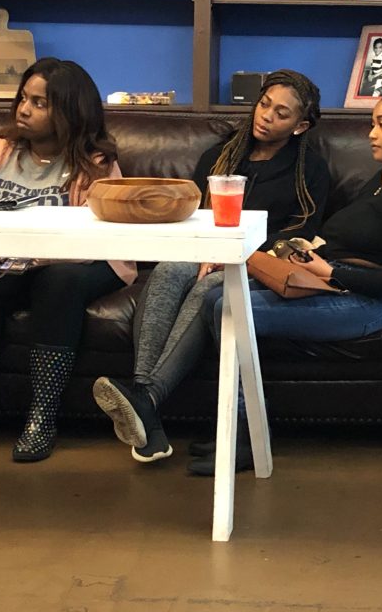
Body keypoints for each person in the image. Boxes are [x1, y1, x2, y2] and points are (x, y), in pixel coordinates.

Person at [184, 88, 382, 476]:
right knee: (215, 293)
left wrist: (332, 272)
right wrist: (310, 249)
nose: (371, 133)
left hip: (368, 302)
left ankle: (244, 438)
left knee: (228, 306)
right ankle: (242, 429)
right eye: (372, 123)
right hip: (328, 282)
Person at [92, 69, 331, 464]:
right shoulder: (219, 157)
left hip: (260, 263)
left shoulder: (310, 170)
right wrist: (207, 249)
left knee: (211, 289)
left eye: (281, 113)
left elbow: (303, 229)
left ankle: (146, 400)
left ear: (300, 126)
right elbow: (194, 215)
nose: (266, 115)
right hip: (205, 251)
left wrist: (237, 253)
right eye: (265, 104)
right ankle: (142, 403)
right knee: (169, 270)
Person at [0, 58, 135, 463]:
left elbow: (103, 238)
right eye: (23, 99)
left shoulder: (97, 164)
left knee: (59, 281)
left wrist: (40, 258)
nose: (24, 110)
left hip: (79, 262)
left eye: (39, 103)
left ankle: (42, 417)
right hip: (7, 260)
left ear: (69, 111)